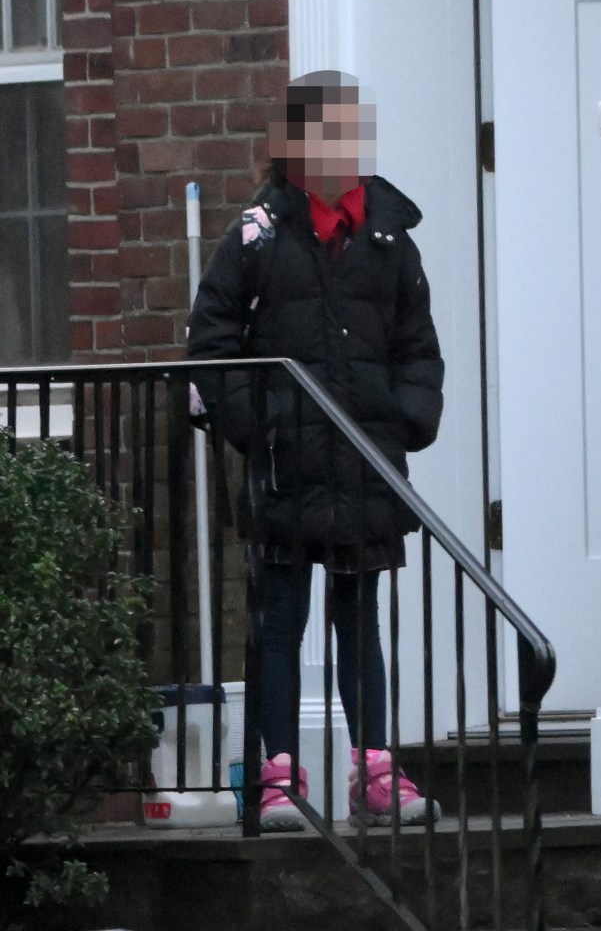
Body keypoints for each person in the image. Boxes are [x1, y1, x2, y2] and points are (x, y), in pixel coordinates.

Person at [188, 70, 444, 831]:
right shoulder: (256, 235)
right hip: (285, 466)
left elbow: (417, 349)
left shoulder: (390, 240)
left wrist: (402, 421)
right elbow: (212, 343)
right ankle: (274, 779)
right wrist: (258, 428)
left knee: (358, 618)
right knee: (278, 620)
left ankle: (372, 772)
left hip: (363, 466)